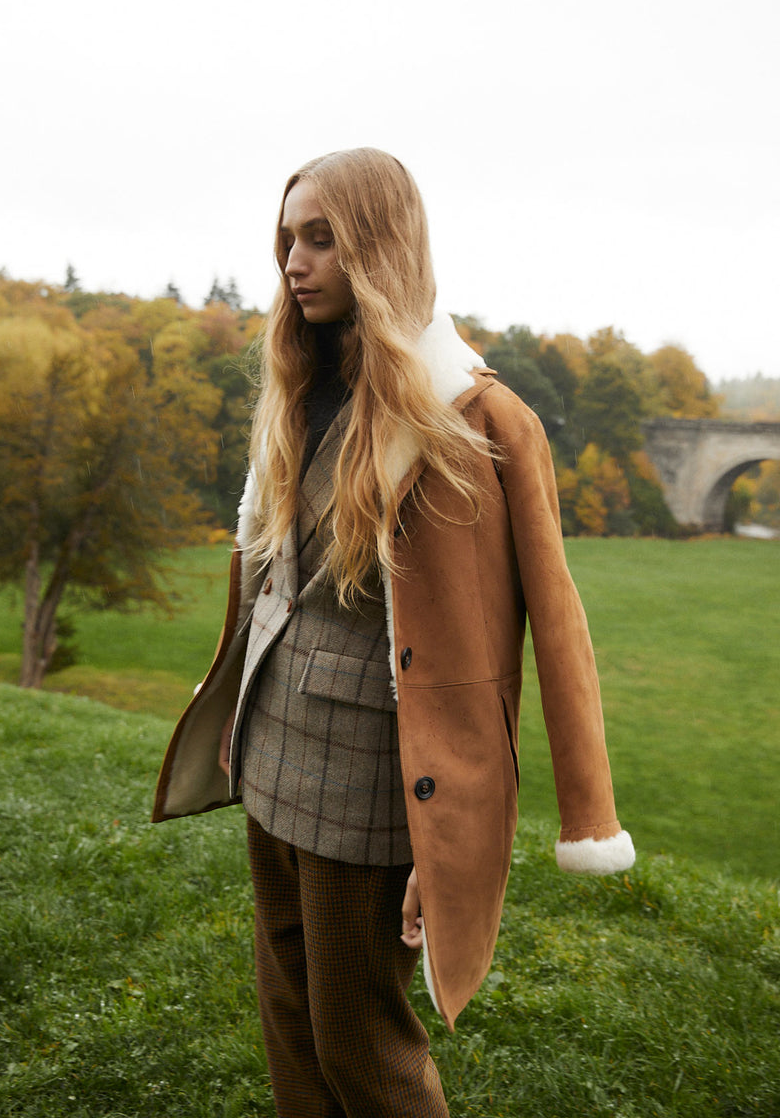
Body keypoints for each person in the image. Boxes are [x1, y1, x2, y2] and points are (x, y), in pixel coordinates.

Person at [152, 147, 635, 1116]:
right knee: (290, 1021)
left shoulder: (479, 420)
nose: (295, 263)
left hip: (371, 782)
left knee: (361, 1044)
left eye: (321, 239)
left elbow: (548, 629)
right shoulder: (296, 384)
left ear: (379, 245)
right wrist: (239, 717)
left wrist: (453, 841)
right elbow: (269, 582)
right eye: (288, 239)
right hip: (272, 749)